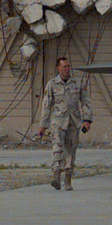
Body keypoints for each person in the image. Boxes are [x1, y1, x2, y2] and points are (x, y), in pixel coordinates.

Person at [38, 57, 92, 191]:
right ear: (58, 68)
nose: (67, 69)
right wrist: (42, 125)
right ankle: (56, 174)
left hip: (73, 122)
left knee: (71, 150)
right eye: (64, 67)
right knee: (57, 146)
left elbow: (85, 102)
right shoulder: (52, 84)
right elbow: (46, 105)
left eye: (68, 66)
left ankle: (68, 178)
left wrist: (87, 120)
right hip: (58, 121)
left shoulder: (77, 83)